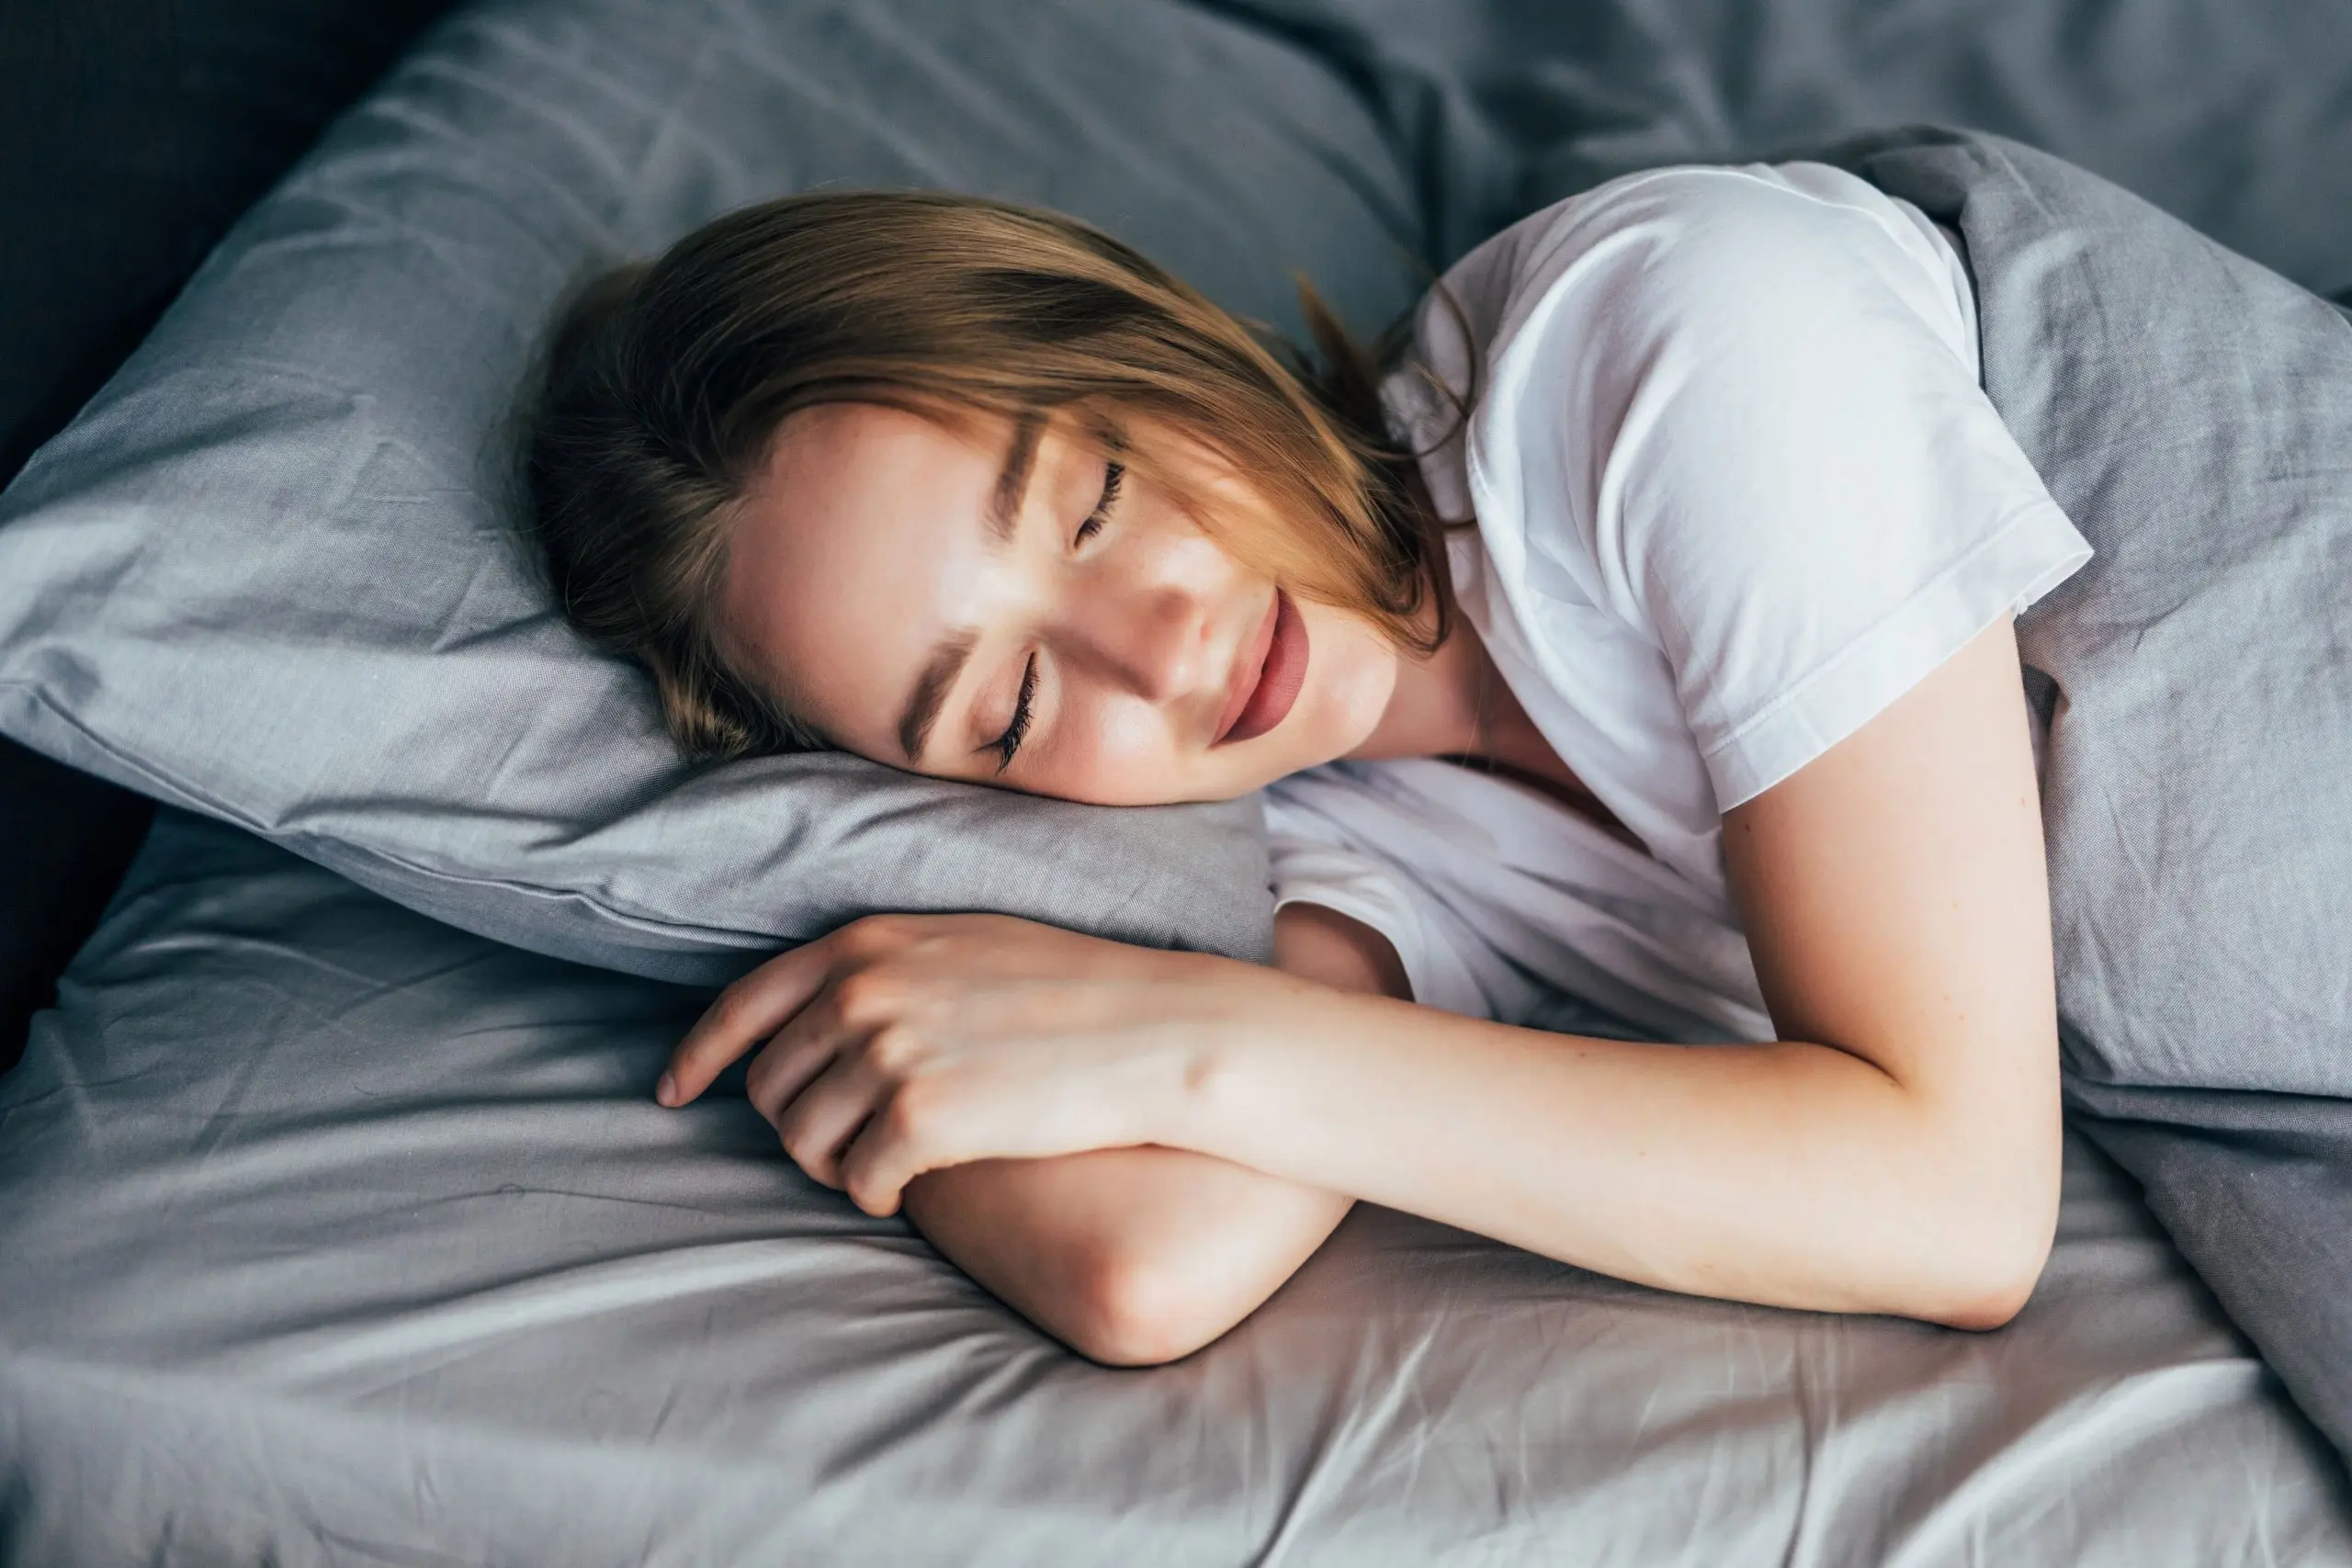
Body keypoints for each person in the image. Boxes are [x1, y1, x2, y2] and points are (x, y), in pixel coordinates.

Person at [525, 163, 2091, 1367]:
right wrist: (868, 977)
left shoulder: (1681, 331)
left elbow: (1957, 1200)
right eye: (1007, 708)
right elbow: (1145, 1260)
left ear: (1143, 329)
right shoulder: (1354, 832)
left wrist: (1197, 1039)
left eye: (1094, 499)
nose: (1160, 650)